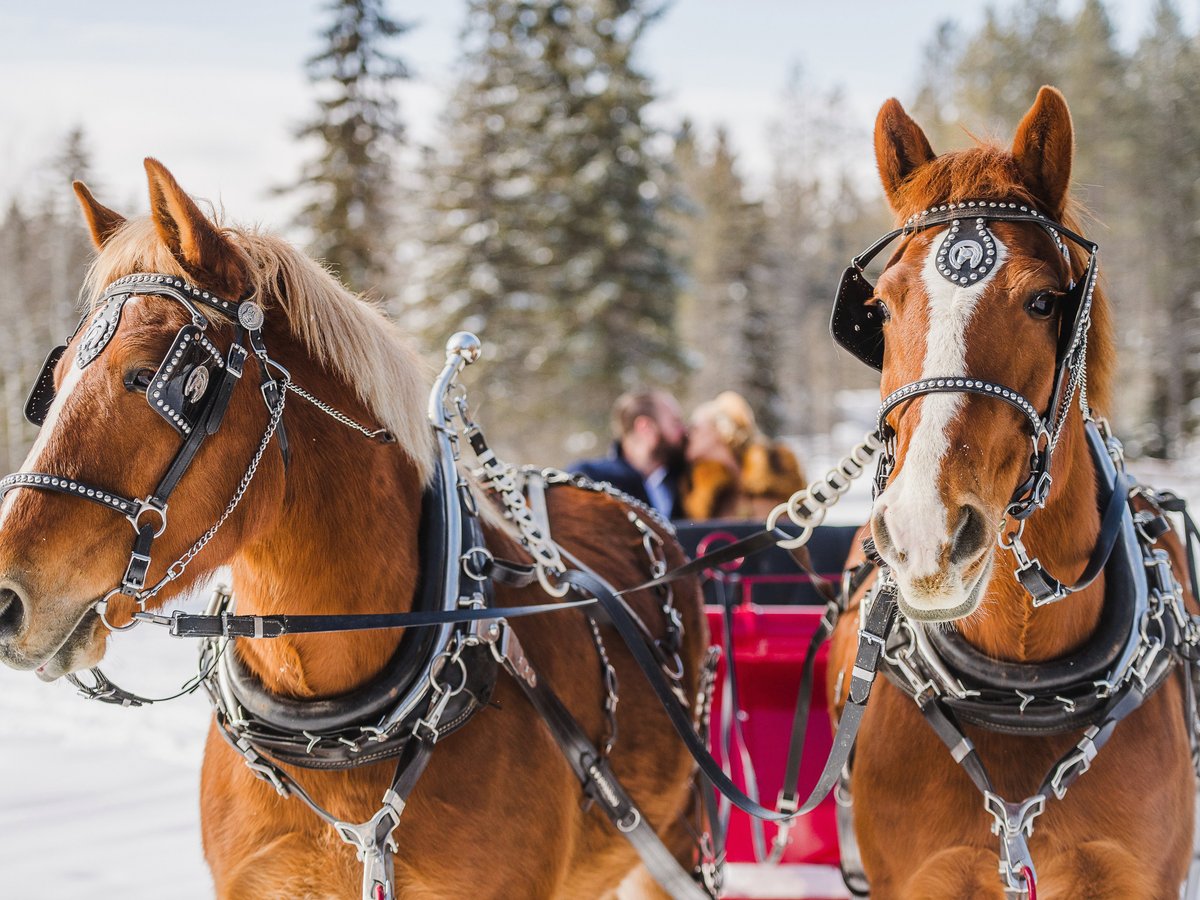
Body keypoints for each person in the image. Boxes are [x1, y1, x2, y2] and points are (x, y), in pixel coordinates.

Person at [682, 391, 806, 520]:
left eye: (695, 427)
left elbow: (803, 518)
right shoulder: (699, 487)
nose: (688, 434)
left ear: (721, 428)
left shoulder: (778, 465)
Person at [569, 389, 687, 519]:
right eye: (675, 423)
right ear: (646, 427)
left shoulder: (681, 480)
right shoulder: (590, 480)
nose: (683, 430)